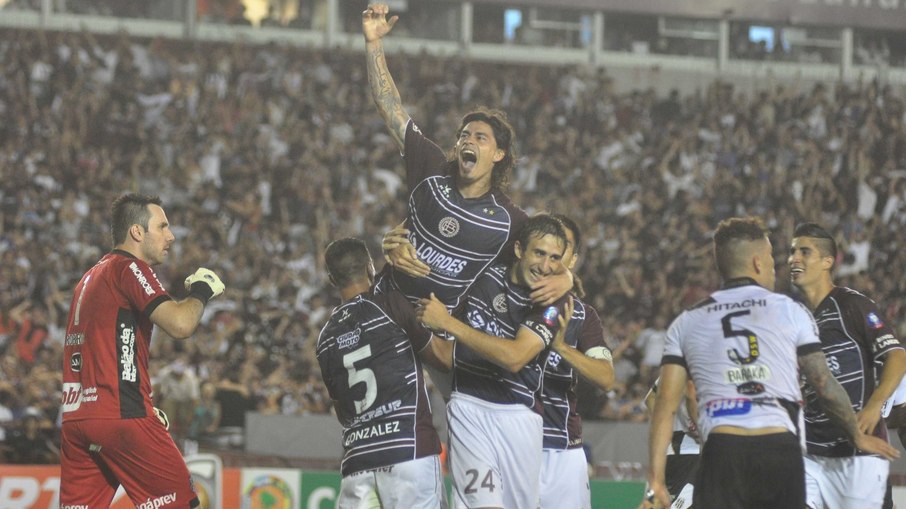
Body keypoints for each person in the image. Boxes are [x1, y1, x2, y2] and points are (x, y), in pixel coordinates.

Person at [644, 216, 898, 509]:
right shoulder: (788, 311)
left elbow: (663, 405)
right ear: (757, 263)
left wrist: (656, 483)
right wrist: (856, 433)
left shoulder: (687, 322)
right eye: (771, 257)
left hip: (721, 452)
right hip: (779, 450)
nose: (782, 264)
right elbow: (824, 383)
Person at [361, 3, 571, 310]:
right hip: (385, 303)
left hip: (437, 333)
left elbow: (547, 253)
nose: (467, 141)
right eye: (464, 136)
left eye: (479, 137)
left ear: (499, 154)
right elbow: (389, 106)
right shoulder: (432, 168)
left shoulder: (508, 221)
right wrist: (373, 43)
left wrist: (565, 276)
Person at [60, 193, 225, 508]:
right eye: (162, 226)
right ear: (137, 232)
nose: (171, 236)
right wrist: (202, 290)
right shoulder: (128, 267)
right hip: (121, 415)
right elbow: (180, 324)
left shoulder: (89, 277)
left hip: (77, 419)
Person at [418, 214, 571, 509]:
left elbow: (515, 357)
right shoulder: (484, 273)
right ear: (518, 250)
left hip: (520, 417)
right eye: (539, 253)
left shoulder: (554, 303)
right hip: (469, 408)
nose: (545, 266)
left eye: (555, 258)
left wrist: (449, 324)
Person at [316, 237, 448, 509]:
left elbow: (342, 411)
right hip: (408, 451)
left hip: (357, 464)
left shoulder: (325, 337)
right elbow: (442, 357)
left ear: (331, 279)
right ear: (369, 268)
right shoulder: (391, 305)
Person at [789, 222, 906, 509]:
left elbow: (897, 356)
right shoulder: (793, 317)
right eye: (792, 252)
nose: (794, 259)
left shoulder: (853, 306)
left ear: (828, 261)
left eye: (805, 252)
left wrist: (874, 405)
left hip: (858, 458)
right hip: (809, 456)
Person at [537, 214, 616, 509]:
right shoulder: (507, 298)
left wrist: (562, 348)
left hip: (561, 450)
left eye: (562, 246)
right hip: (508, 443)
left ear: (572, 259)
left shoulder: (583, 316)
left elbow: (606, 377)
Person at [641, 378, 699, 509]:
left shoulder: (677, 364)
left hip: (675, 450)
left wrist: (665, 426)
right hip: (689, 453)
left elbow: (650, 398)